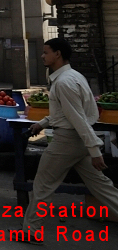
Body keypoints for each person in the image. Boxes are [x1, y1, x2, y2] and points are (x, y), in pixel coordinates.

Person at [19, 38, 118, 242]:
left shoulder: (64, 83)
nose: (42, 56)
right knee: (102, 186)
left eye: (46, 52)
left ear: (58, 54)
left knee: (43, 185)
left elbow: (77, 119)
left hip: (68, 141)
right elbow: (69, 113)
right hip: (79, 142)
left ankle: (31, 231)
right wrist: (43, 123)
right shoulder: (74, 77)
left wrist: (95, 151)